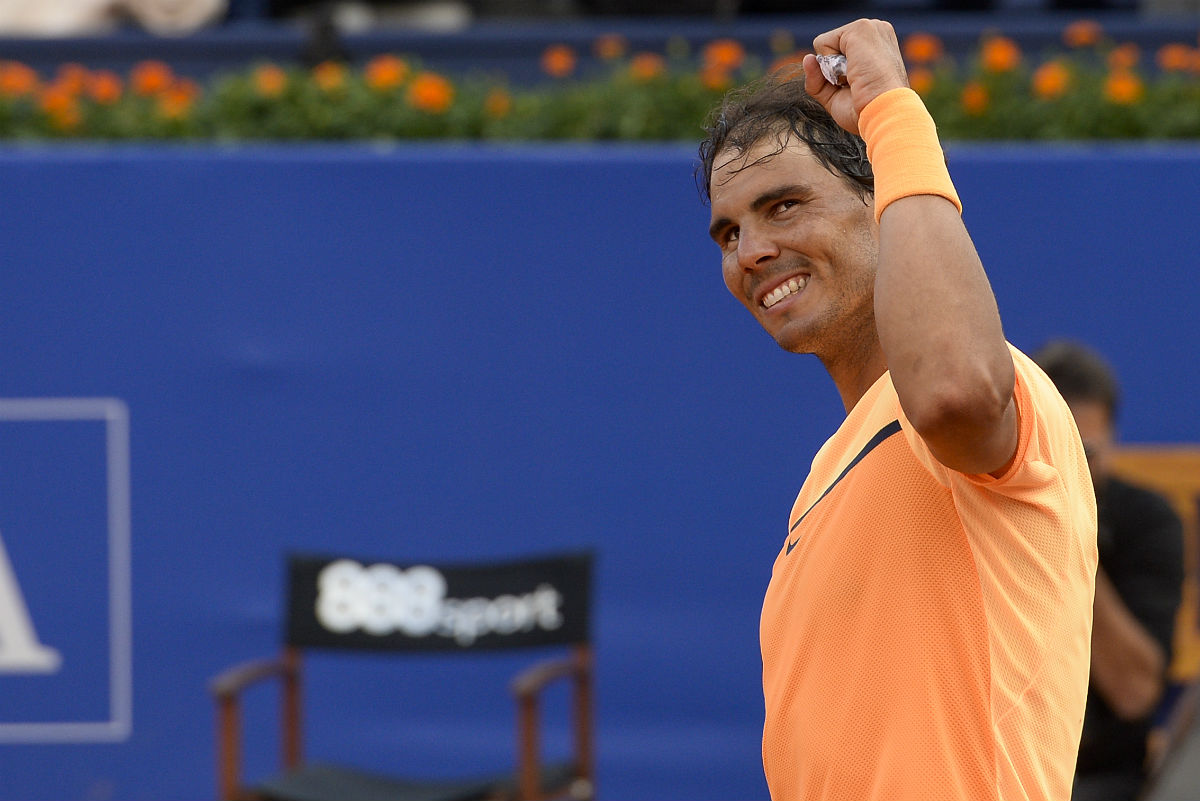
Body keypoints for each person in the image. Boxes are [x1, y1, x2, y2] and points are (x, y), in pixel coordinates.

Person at [698, 19, 1098, 801]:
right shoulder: (826, 471)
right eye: (729, 230)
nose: (748, 252)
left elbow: (950, 389)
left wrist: (889, 109)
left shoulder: (988, 382)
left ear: (882, 201)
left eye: (783, 205)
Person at [1033, 341, 1184, 801]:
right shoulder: (978, 512)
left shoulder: (1145, 520)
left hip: (1105, 782)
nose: (1070, 470)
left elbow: (1135, 693)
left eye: (1086, 452)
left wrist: (1069, 541)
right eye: (1053, 450)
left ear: (1112, 443)